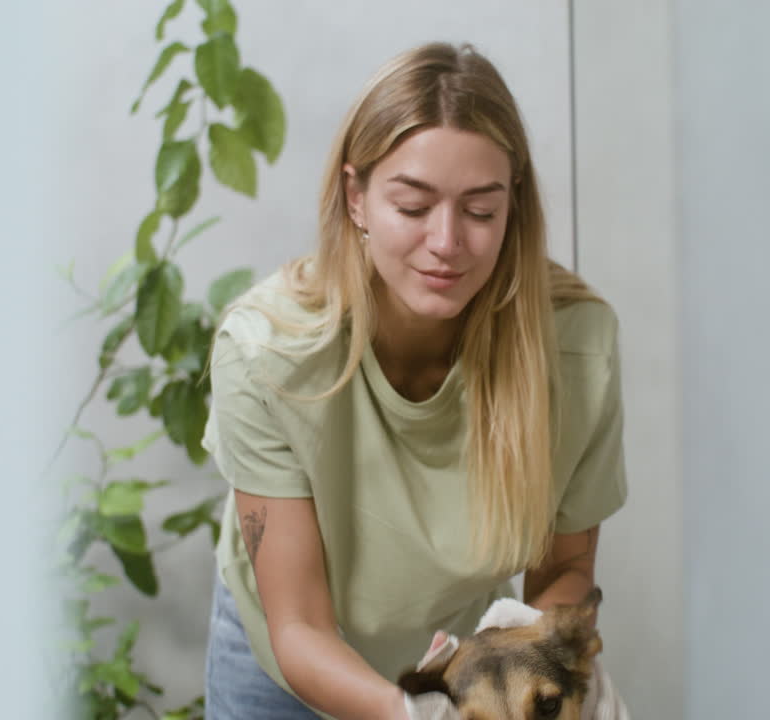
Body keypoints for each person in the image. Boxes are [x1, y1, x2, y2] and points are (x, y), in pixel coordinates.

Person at [202, 42, 627, 719]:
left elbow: (563, 569)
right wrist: (415, 715)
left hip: (456, 661)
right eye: (413, 206)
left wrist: (539, 676)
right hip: (286, 666)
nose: (447, 241)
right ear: (357, 197)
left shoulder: (573, 351)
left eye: (481, 211)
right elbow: (300, 626)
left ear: (512, 207)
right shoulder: (267, 355)